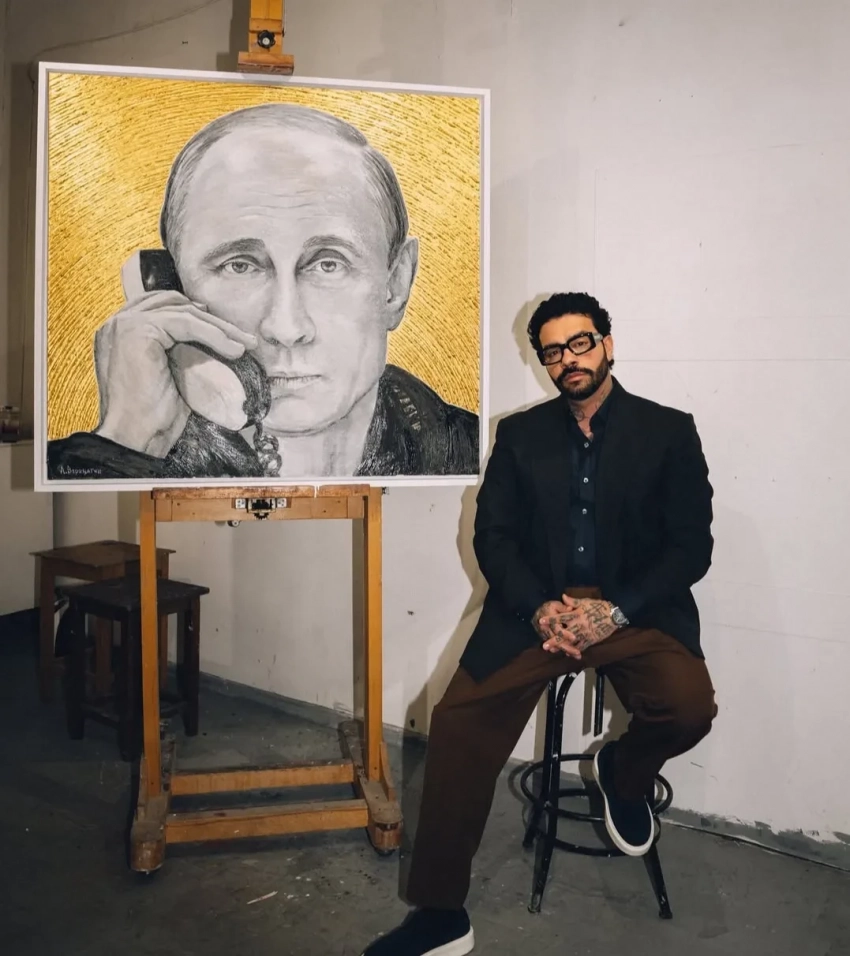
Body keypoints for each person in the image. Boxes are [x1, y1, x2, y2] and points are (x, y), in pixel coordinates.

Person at [361, 292, 717, 955]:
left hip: (632, 609)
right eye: (553, 352)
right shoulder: (520, 435)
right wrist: (540, 607)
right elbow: (493, 537)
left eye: (579, 343)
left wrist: (613, 611)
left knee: (689, 708)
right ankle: (440, 915)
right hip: (539, 611)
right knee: (457, 722)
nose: (568, 360)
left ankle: (623, 773)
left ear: (607, 344)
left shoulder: (668, 431)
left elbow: (690, 548)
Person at [47, 104, 478, 481]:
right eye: (240, 266)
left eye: (329, 264)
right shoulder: (121, 446)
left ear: (395, 285)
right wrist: (129, 442)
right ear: (168, 286)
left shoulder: (470, 451)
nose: (286, 329)